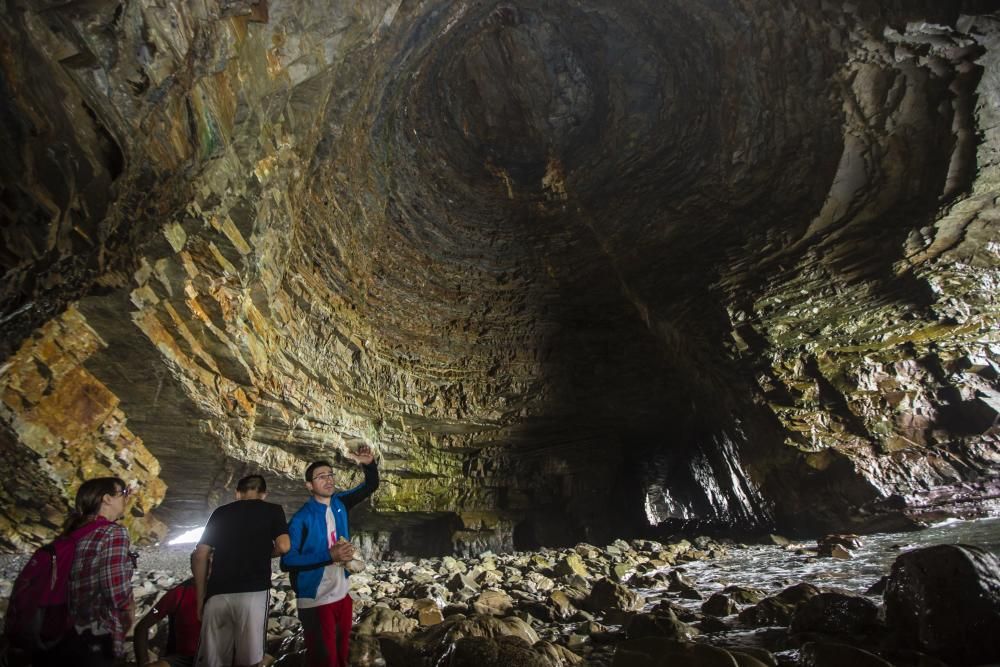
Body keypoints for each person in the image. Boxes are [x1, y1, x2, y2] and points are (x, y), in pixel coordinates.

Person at [281, 446, 379, 667]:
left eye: (330, 475)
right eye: (321, 476)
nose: (328, 480)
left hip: (341, 594)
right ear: (309, 485)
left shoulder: (339, 503)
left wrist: (369, 465)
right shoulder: (300, 519)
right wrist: (329, 555)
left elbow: (370, 486)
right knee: (324, 660)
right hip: (316, 599)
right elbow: (287, 561)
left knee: (341, 656)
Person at [34, 477, 136, 667]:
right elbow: (115, 593)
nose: (126, 499)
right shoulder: (113, 533)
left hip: (57, 636)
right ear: (106, 499)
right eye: (123, 493)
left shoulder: (72, 534)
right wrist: (129, 613)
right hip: (94, 639)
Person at [194, 474, 289, 667]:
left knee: (212, 661)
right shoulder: (273, 510)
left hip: (217, 594)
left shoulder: (220, 512)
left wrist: (200, 597)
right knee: (251, 660)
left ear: (237, 493)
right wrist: (267, 554)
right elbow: (284, 545)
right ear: (264, 494)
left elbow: (200, 554)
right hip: (253, 594)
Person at [134, 553, 201, 667]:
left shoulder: (223, 593)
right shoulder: (178, 594)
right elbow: (145, 624)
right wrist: (144, 661)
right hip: (183, 659)